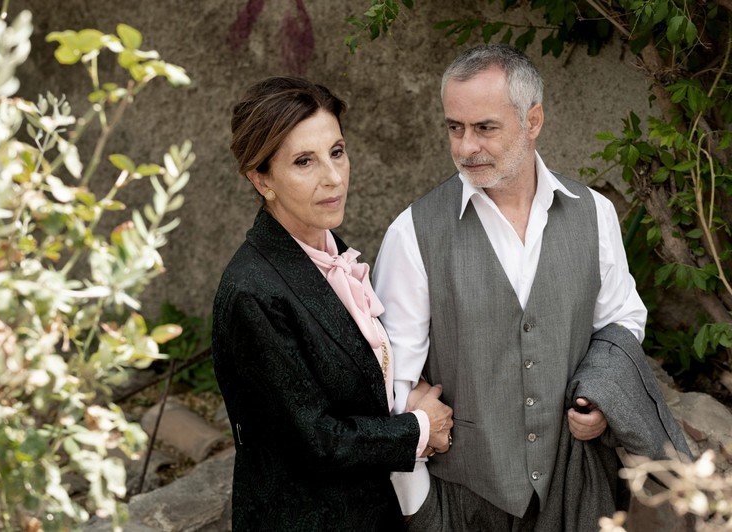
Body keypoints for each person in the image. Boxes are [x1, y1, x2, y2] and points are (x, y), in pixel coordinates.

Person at [373, 44, 652, 529]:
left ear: (533, 120)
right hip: (464, 500)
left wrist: (603, 396)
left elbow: (621, 322)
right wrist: (420, 509)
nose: (465, 147)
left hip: (576, 488)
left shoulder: (594, 213)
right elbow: (391, 380)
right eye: (454, 128)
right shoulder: (413, 232)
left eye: (485, 128)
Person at [212, 76, 454, 530]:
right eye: (304, 161)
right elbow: (315, 441)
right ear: (261, 179)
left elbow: (350, 377)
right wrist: (419, 429)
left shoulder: (328, 250)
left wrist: (403, 392)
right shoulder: (253, 292)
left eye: (337, 152)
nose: (333, 177)